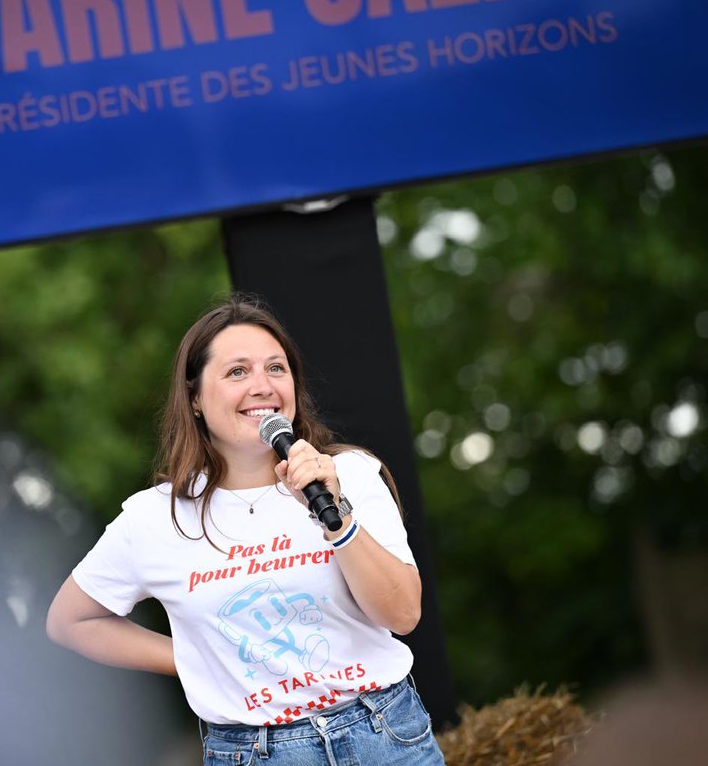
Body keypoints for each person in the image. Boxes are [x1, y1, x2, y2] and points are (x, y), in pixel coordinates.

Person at [47, 295, 445, 765]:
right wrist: (198, 658)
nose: (263, 386)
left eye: (276, 368)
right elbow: (70, 622)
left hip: (382, 735)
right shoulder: (154, 517)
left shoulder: (350, 475)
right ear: (195, 398)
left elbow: (402, 614)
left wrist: (335, 513)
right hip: (254, 753)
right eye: (237, 372)